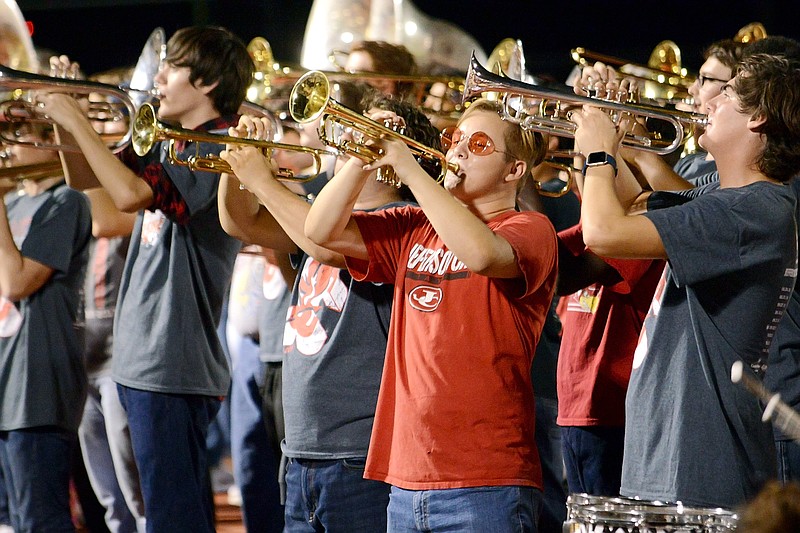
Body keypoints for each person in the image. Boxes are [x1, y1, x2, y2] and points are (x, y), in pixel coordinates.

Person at [304, 98, 556, 532]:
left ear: (514, 170)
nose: (457, 151)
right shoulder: (415, 225)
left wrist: (411, 171)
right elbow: (319, 230)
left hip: (487, 479)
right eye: (453, 139)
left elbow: (479, 253)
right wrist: (363, 157)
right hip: (407, 478)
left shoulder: (529, 229)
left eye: (477, 144)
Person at [38, 26, 253, 532]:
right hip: (142, 356)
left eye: (171, 67)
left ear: (204, 82)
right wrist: (68, 125)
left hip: (173, 358)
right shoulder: (166, 141)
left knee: (171, 515)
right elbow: (95, 197)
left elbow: (133, 196)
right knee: (163, 509)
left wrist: (77, 119)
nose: (158, 76)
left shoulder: (216, 145)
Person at [570, 52, 800, 509]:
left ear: (758, 118)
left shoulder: (754, 210)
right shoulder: (723, 196)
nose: (709, 101)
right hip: (667, 450)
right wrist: (608, 131)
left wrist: (599, 150)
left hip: (703, 460)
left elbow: (603, 232)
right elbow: (630, 205)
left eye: (728, 92)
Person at [218, 91, 442, 532]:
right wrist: (236, 163)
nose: (348, 139)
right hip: (302, 449)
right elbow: (239, 223)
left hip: (358, 451)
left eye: (369, 132)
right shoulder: (319, 214)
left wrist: (262, 180)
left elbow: (323, 242)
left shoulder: (406, 219)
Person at [0, 124, 92, 531]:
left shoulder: (66, 202)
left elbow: (17, 282)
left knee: (40, 521)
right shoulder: (14, 202)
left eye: (19, 132)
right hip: (5, 389)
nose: (6, 144)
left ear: (48, 139)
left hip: (35, 389)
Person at [79, 186, 145, 533]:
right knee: (108, 492)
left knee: (136, 485)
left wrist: (82, 138)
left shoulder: (135, 191)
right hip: (86, 354)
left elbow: (105, 221)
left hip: (123, 356)